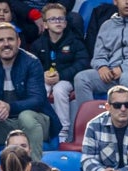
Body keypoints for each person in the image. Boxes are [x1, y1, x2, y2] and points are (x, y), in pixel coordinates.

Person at [0, 22, 61, 160]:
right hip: (3, 122)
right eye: (0, 40)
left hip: (35, 122)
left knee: (26, 117)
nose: (6, 44)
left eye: (10, 39)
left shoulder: (32, 62)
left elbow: (37, 99)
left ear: (18, 42)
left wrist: (9, 107)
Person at [73, 0, 128, 112]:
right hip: (110, 73)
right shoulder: (107, 26)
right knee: (81, 78)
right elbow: (98, 56)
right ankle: (90, 121)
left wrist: (124, 68)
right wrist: (102, 67)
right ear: (115, 2)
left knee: (127, 77)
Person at [30, 3, 88, 143]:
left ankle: (63, 132)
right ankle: (40, 127)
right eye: (53, 19)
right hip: (45, 78)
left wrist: (61, 76)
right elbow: (31, 65)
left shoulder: (75, 42)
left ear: (66, 22)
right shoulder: (38, 44)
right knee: (40, 89)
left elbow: (83, 63)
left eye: (61, 19)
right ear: (45, 24)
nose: (58, 22)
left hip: (67, 80)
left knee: (59, 89)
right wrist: (42, 75)